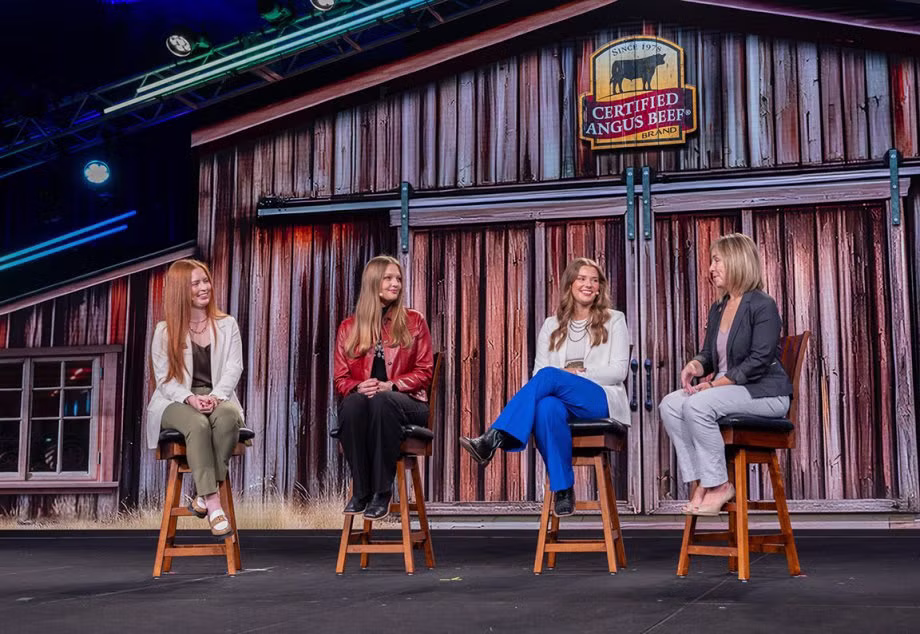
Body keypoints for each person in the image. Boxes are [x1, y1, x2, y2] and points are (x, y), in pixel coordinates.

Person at [459, 257, 630, 517]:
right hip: (562, 401)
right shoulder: (551, 325)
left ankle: (496, 435)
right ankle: (563, 491)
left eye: (594, 280)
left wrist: (578, 375)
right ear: (570, 284)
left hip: (599, 398)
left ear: (600, 288)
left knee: (551, 376)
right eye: (582, 279)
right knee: (547, 407)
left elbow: (618, 371)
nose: (588, 284)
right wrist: (562, 378)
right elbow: (538, 374)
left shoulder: (614, 320)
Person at [659, 233, 792, 516]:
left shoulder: (762, 305)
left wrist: (716, 385)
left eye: (717, 260)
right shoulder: (719, 307)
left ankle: (719, 484)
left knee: (697, 404)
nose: (711, 268)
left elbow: (759, 359)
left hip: (765, 394)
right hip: (727, 393)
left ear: (737, 261)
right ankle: (704, 481)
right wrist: (695, 366)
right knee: (670, 404)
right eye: (711, 261)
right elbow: (709, 355)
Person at [146, 259, 244, 537]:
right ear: (180, 290)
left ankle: (201, 495)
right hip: (174, 401)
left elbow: (234, 367)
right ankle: (213, 503)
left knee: (228, 419)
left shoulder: (227, 325)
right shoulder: (164, 331)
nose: (205, 288)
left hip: (217, 396)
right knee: (198, 426)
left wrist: (216, 396)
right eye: (196, 283)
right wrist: (190, 398)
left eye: (206, 280)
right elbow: (164, 379)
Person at [333, 255, 434, 521]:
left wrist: (393, 385)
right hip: (368, 407)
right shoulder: (348, 327)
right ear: (373, 282)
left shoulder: (414, 321)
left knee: (382, 400)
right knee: (353, 403)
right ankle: (362, 489)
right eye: (388, 278)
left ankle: (381, 491)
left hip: (408, 403)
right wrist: (358, 386)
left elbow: (425, 372)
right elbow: (341, 379)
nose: (396, 284)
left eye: (398, 279)